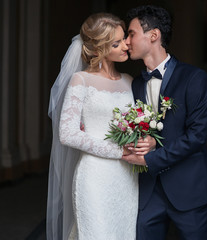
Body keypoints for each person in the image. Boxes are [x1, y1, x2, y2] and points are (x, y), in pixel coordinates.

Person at [47, 12, 154, 240]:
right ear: (98, 49)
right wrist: (118, 151)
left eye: (124, 38)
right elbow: (67, 134)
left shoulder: (129, 81)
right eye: (116, 43)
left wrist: (143, 141)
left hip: (126, 178)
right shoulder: (81, 80)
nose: (126, 45)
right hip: (95, 176)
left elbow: (140, 123)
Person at [123, 5, 207, 240]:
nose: (126, 41)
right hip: (148, 193)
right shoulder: (135, 84)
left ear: (153, 35)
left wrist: (150, 157)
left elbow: (197, 136)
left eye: (131, 34)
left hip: (189, 190)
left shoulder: (194, 78)